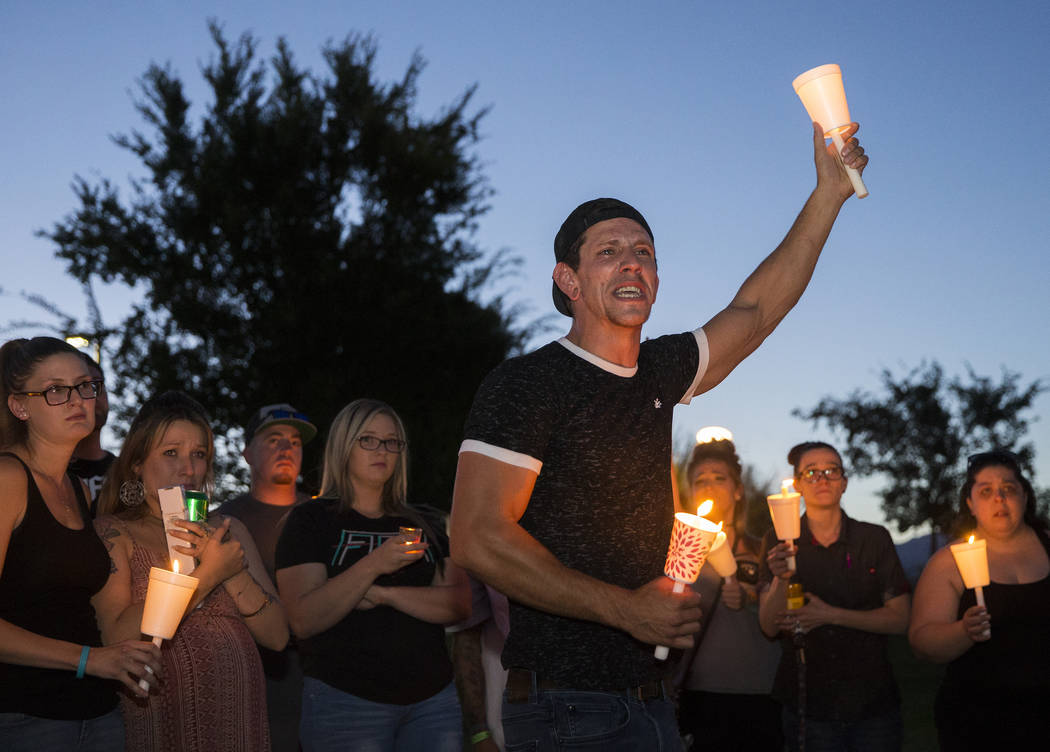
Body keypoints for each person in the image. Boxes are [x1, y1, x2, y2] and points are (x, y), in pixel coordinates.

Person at [449, 122, 869, 749]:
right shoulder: (527, 384)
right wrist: (624, 608)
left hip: (650, 700)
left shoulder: (657, 370)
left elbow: (754, 312)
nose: (632, 262)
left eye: (644, 251)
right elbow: (477, 537)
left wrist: (828, 193)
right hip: (566, 707)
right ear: (569, 281)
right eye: (610, 250)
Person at [93, 390, 289, 751]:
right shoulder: (114, 532)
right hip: (161, 713)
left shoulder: (230, 529)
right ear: (137, 461)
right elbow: (116, 634)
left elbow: (278, 637)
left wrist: (233, 571)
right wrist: (207, 576)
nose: (188, 468)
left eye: (199, 455)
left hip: (239, 717)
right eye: (171, 453)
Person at [276, 398, 470, 752]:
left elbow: (459, 604)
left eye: (392, 441)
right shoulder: (311, 520)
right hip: (346, 702)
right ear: (344, 446)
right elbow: (303, 619)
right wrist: (375, 563)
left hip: (432, 703)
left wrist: (383, 594)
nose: (382, 449)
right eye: (368, 439)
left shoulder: (425, 521)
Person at [0, 337, 161, 751]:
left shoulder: (78, 489)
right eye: (56, 390)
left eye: (85, 385)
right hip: (26, 715)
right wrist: (89, 659)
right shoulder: (8, 479)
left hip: (98, 709)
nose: (77, 399)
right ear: (21, 406)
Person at [759, 441, 910, 752]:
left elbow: (900, 618)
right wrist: (780, 578)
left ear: (844, 482)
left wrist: (830, 614)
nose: (823, 479)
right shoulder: (777, 539)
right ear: (797, 485)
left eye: (831, 470)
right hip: (807, 705)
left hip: (872, 704)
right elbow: (769, 627)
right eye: (811, 472)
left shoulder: (873, 539)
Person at [908, 449, 1050, 750]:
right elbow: (922, 643)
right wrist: (963, 631)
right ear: (970, 504)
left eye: (1008, 488)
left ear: (1025, 496)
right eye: (986, 491)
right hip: (977, 722)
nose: (999, 498)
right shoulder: (950, 562)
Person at [218, 402, 317, 752]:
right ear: (246, 453)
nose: (287, 448)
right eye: (274, 439)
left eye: (294, 441)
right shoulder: (223, 520)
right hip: (251, 672)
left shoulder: (324, 515)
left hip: (321, 671)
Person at [675, 438, 781, 751]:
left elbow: (787, 608)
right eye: (700, 480)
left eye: (719, 478)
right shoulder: (681, 550)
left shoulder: (763, 548)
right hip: (700, 696)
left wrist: (749, 596)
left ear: (737, 489)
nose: (709, 486)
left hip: (761, 695)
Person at [450, 575, 510, 751]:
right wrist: (480, 733)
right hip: (503, 720)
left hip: (580, 703)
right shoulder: (483, 556)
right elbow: (466, 640)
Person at [68, 353, 116, 514]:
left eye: (97, 386)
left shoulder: (125, 471)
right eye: (83, 387)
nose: (93, 398)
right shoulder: (47, 475)